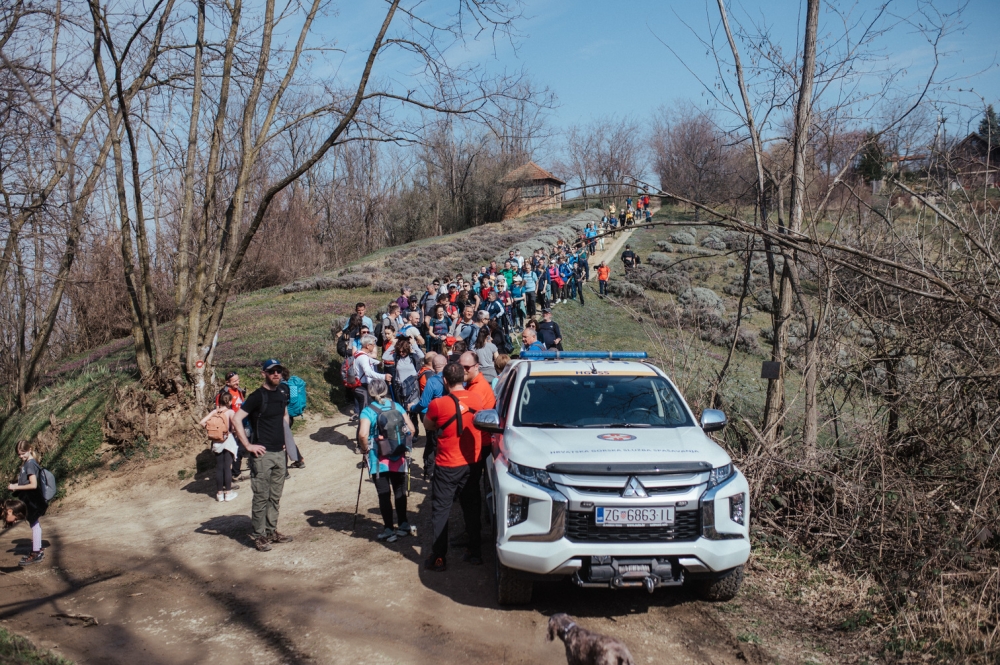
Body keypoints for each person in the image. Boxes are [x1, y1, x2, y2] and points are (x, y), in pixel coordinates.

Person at [423, 363, 486, 571]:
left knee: (441, 509)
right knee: (471, 505)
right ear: (464, 378)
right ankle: (475, 551)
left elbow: (428, 425)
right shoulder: (477, 398)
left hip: (447, 464)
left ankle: (439, 557)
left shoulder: (438, 404)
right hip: (472, 462)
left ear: (444, 381)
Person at [233, 359, 294, 552]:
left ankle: (271, 531)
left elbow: (284, 415)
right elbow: (236, 419)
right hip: (262, 455)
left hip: (279, 453)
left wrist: (287, 440)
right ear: (264, 374)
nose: (276, 374)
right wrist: (248, 445)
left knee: (275, 496)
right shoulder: (256, 396)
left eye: (279, 371)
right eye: (272, 371)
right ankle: (259, 536)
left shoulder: (283, 393)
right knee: (261, 496)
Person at [357, 377, 414, 543]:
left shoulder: (368, 411)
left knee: (383, 493)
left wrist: (364, 448)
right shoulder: (397, 407)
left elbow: (362, 434)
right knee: (399, 490)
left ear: (371, 392)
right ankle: (403, 524)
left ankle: (389, 529)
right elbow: (411, 429)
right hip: (397, 453)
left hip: (378, 457)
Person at [6, 441, 47, 566]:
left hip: (32, 499)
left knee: (34, 524)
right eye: (19, 455)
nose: (21, 456)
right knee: (34, 524)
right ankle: (37, 548)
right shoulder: (28, 463)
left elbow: (33, 484)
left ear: (30, 449)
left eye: (23, 453)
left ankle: (36, 552)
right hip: (31, 499)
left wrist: (16, 486)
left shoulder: (30, 464)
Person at [200, 393, 239, 502]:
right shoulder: (230, 412)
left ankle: (219, 494)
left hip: (216, 442)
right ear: (230, 402)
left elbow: (202, 422)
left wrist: (212, 430)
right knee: (227, 467)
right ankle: (228, 493)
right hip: (228, 440)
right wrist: (234, 432)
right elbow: (235, 427)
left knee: (219, 467)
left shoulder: (214, 412)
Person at [417, 353, 448, 478]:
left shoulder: (431, 380)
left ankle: (430, 470)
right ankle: (434, 470)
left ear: (433, 366)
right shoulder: (452, 377)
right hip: (449, 417)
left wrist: (412, 408)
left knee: (432, 443)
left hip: (433, 417)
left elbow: (423, 403)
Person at [217, 371, 248, 481]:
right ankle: (231, 475)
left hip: (240, 424)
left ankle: (236, 472)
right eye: (234, 381)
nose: (237, 382)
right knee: (232, 450)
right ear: (227, 382)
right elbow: (219, 411)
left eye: (238, 380)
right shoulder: (224, 393)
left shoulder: (239, 391)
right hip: (230, 427)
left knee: (240, 448)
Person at [353, 334, 383, 421]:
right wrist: (384, 376)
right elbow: (368, 372)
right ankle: (364, 433)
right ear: (368, 345)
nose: (374, 346)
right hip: (363, 386)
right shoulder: (363, 357)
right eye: (373, 344)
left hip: (358, 385)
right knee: (365, 415)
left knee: (367, 411)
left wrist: (378, 362)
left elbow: (368, 360)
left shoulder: (358, 353)